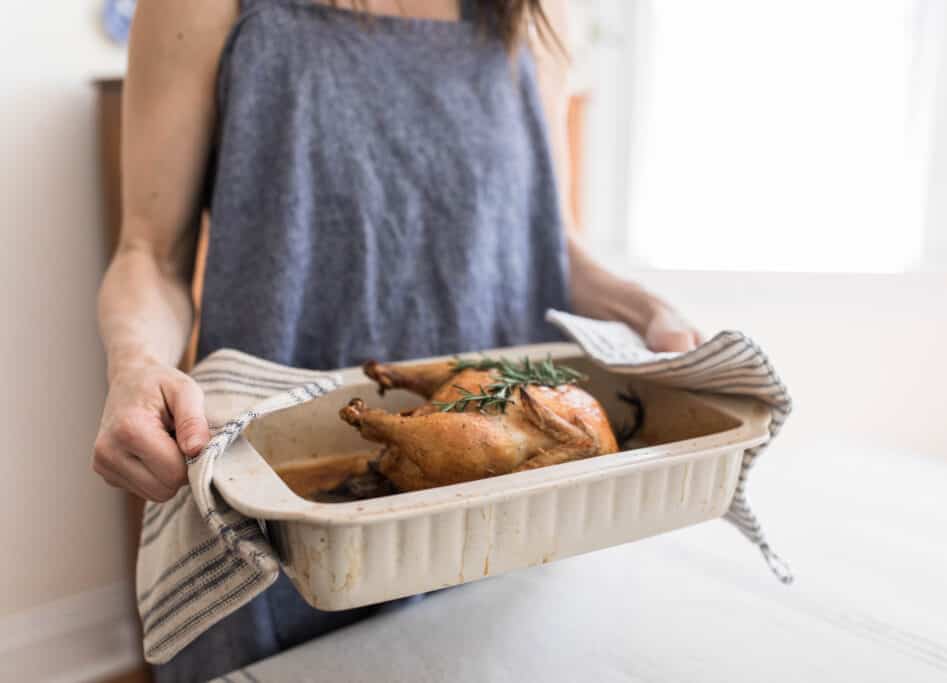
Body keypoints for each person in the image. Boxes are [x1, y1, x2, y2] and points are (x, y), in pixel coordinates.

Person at [92, 0, 701, 679]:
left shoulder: (537, 10)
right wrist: (136, 366)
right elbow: (150, 252)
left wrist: (648, 312)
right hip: (287, 515)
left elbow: (542, 236)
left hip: (503, 525)